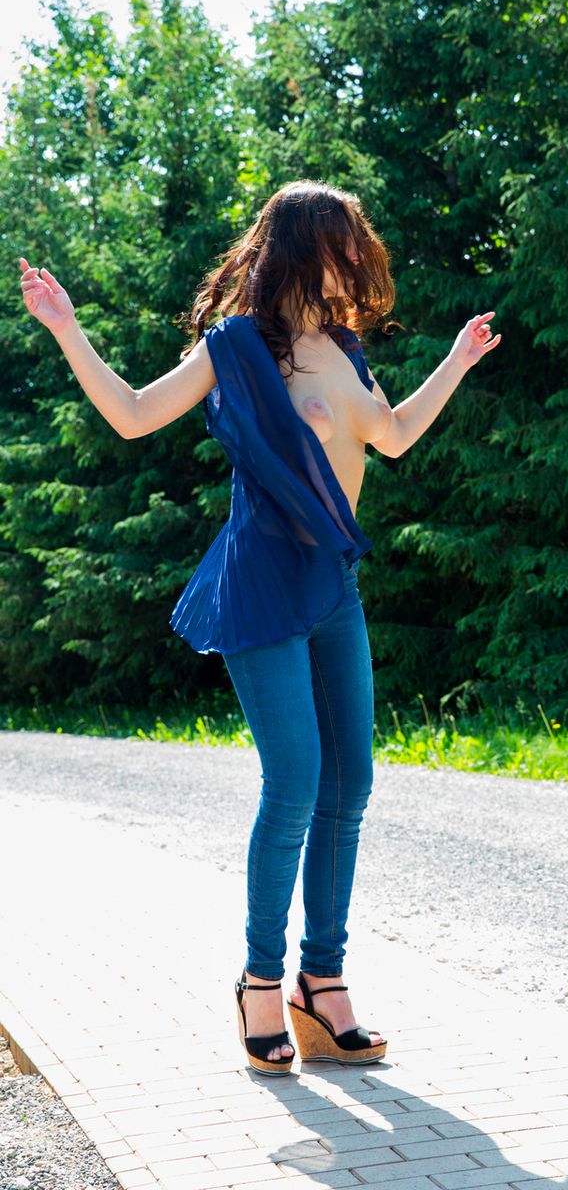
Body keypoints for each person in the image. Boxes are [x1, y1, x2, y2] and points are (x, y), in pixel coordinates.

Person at [18, 178, 502, 1075]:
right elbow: (132, 416)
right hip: (262, 583)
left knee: (349, 785)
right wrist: (65, 326)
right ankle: (260, 982)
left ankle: (323, 984)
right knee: (295, 784)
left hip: (333, 584)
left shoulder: (345, 350)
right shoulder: (237, 346)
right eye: (343, 245)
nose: (357, 260)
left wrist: (459, 361)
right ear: (302, 250)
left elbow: (392, 436)